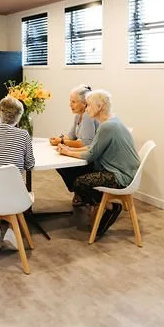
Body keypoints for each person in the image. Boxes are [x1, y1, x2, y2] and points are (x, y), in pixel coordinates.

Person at [56, 89, 140, 238]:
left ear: (99, 106)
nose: (86, 108)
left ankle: (109, 207)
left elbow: (90, 155)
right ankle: (97, 205)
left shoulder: (107, 126)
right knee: (70, 171)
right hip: (122, 170)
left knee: (79, 182)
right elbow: (93, 147)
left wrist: (67, 152)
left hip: (120, 175)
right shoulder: (111, 122)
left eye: (88, 105)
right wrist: (69, 148)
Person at [0, 96, 35, 251]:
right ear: (19, 116)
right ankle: (10, 231)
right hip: (14, 196)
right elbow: (30, 164)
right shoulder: (23, 135)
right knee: (13, 186)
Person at [49, 84, 99, 203]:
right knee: (59, 162)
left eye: (73, 102)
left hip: (92, 159)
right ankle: (79, 192)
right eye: (70, 101)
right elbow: (71, 136)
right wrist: (59, 139)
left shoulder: (87, 115)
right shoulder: (78, 115)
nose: (70, 105)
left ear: (84, 103)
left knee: (61, 165)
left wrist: (62, 142)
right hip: (85, 154)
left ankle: (83, 193)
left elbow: (85, 142)